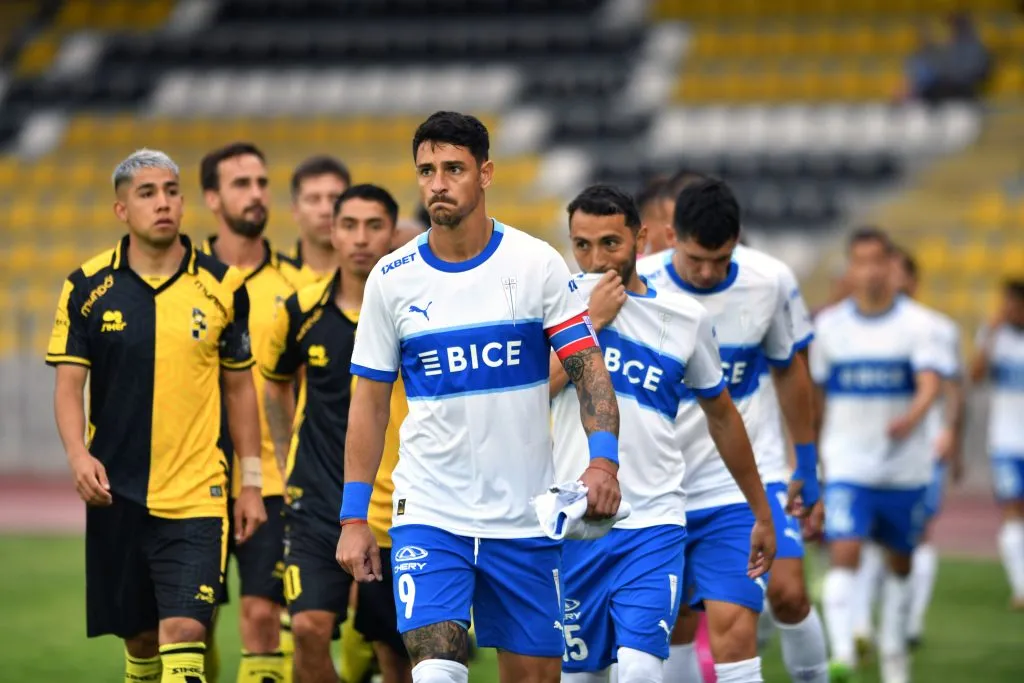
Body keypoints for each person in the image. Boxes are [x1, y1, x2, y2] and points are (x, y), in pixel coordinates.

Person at [335, 110, 622, 683]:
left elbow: (588, 369)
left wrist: (603, 461)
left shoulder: (536, 264)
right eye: (427, 171)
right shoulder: (391, 279)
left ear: (485, 174)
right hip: (429, 512)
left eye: (453, 169)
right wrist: (353, 516)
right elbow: (368, 403)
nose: (437, 183)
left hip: (524, 518)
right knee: (436, 670)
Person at [46, 148, 267, 683]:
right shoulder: (86, 287)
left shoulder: (223, 285)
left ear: (184, 202)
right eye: (147, 193)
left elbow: (240, 390)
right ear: (122, 209)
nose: (163, 203)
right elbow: (69, 385)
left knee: (185, 631)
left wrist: (251, 482)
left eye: (171, 191)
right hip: (115, 493)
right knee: (141, 641)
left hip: (197, 493)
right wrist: (77, 456)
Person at [551, 185, 775, 683]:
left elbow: (723, 417)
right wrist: (590, 323)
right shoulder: (555, 307)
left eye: (610, 243)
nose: (596, 259)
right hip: (576, 522)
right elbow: (531, 393)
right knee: (581, 677)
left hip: (654, 519)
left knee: (640, 670)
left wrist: (761, 510)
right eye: (582, 244)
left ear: (641, 238)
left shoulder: (685, 319)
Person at [637, 178, 824, 683]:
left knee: (782, 596)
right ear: (671, 236)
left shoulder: (770, 281)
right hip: (660, 487)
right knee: (674, 624)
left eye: (719, 260)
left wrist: (807, 463)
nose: (706, 272)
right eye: (695, 258)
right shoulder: (637, 286)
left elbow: (789, 369)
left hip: (740, 483)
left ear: (737, 240)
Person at [262, 184, 412, 683]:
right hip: (316, 501)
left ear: (392, 233)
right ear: (332, 231)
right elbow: (275, 381)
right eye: (349, 225)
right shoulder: (300, 310)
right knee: (308, 628)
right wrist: (285, 455)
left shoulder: (414, 311)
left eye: (374, 226)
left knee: (396, 653)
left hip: (391, 506)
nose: (361, 238)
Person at [811, 228, 949, 683]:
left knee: (901, 563)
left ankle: (893, 654)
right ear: (850, 268)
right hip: (847, 463)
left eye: (877, 261)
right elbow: (814, 397)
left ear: (891, 266)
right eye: (861, 262)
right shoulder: (829, 327)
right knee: (844, 549)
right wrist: (808, 457)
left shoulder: (920, 325)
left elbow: (931, 382)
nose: (869, 271)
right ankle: (843, 656)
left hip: (905, 468)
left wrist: (913, 417)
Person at [199, 142, 294, 683]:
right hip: (195, 479)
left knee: (262, 616)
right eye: (241, 184)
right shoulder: (189, 280)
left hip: (274, 481)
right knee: (193, 623)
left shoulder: (297, 286)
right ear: (212, 198)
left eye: (261, 182)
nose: (256, 194)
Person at [853, 248, 965, 652]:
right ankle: (862, 624)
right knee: (864, 537)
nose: (889, 279)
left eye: (898, 273)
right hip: (868, 450)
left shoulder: (936, 327)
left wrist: (950, 433)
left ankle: (910, 621)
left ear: (913, 281)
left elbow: (952, 388)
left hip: (922, 448)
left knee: (916, 536)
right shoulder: (858, 324)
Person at [970, 279, 1024, 610]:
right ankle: (1021, 586)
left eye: (1014, 304)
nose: (1008, 310)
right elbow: (975, 376)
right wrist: (989, 335)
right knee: (1012, 509)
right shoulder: (994, 337)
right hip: (1006, 441)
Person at [279, 155, 351, 289]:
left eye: (335, 199)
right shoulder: (275, 276)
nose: (326, 210)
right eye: (313, 199)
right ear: (295, 210)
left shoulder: (375, 276)